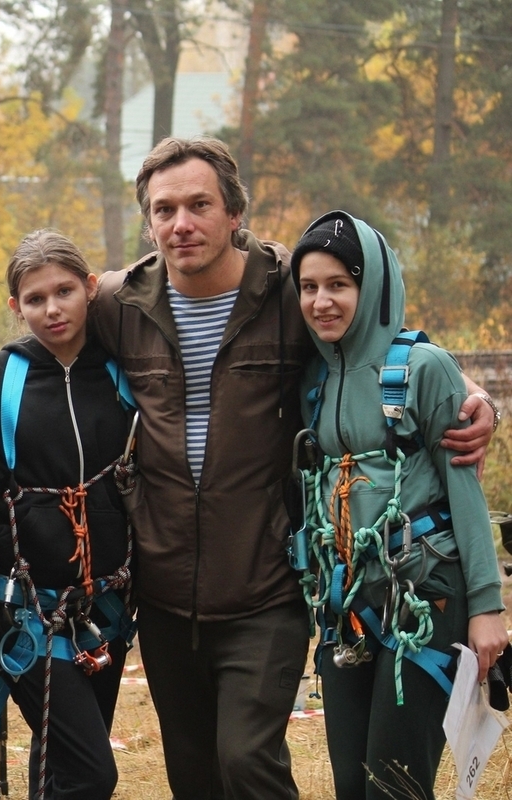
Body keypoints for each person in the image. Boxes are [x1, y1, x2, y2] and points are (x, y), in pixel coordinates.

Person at [88, 135, 496, 800]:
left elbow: (376, 338)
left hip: (266, 586)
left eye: (199, 204)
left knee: (248, 760)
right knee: (195, 777)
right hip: (163, 592)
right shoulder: (119, 302)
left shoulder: (287, 289)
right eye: (164, 210)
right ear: (149, 221)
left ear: (235, 213)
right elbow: (47, 335)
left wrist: (473, 403)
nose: (181, 223)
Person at [289, 210, 508, 799]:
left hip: (426, 600)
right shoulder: (312, 379)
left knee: (394, 783)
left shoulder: (422, 368)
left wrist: (488, 608)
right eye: (308, 287)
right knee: (349, 784)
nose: (322, 302)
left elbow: (465, 489)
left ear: (374, 287)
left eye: (339, 284)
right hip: (346, 607)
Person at [0, 229, 135, 800]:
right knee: (92, 773)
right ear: (16, 307)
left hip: (108, 605)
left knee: (59, 767)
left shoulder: (120, 371)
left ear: (90, 289)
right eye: (35, 299)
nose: (52, 309)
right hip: (27, 612)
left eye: (64, 291)